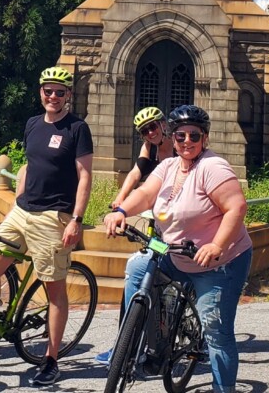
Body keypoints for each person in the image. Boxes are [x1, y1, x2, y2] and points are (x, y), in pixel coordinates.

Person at [103, 104, 252, 393]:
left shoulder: (212, 167)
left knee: (216, 331)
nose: (186, 142)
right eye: (180, 135)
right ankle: (146, 342)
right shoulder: (169, 166)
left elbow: (237, 207)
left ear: (204, 139)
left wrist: (216, 245)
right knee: (137, 267)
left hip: (218, 263)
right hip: (176, 254)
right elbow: (146, 194)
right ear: (172, 137)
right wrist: (121, 210)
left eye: (194, 136)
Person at [0, 66, 93, 385]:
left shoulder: (77, 128)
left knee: (53, 290)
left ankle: (51, 358)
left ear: (68, 95)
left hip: (53, 216)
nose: (52, 96)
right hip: (23, 212)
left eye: (59, 91)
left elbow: (84, 176)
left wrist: (77, 220)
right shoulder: (32, 124)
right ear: (40, 92)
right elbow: (28, 164)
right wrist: (17, 201)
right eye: (47, 90)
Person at [95, 105, 176, 364]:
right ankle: (126, 345)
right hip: (158, 215)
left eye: (153, 126)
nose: (150, 133)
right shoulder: (150, 148)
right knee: (145, 273)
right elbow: (136, 173)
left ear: (164, 124)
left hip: (179, 217)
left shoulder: (179, 144)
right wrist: (120, 202)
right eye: (144, 131)